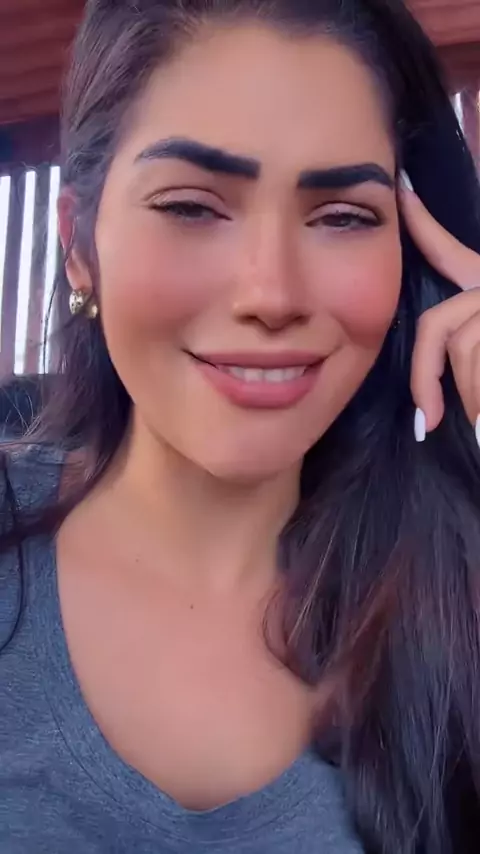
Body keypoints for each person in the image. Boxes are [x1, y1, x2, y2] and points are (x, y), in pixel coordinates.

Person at [2, 0, 480, 851]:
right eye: (192, 206)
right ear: (78, 246)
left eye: (343, 216)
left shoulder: (457, 596)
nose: (272, 294)